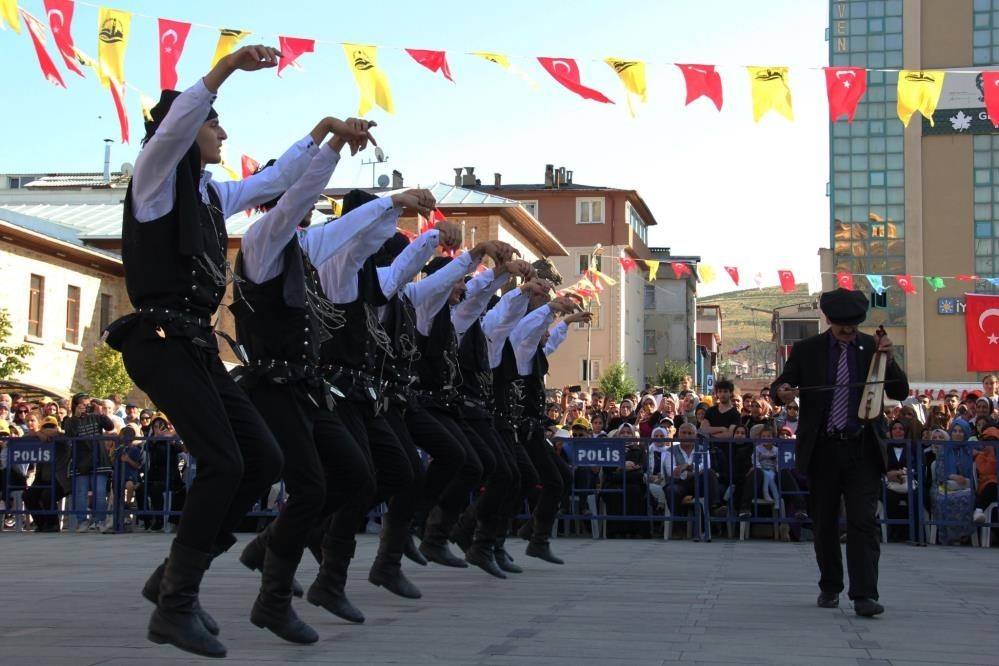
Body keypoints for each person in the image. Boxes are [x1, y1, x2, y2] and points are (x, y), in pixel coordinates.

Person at [102, 45, 312, 658]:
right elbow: (175, 127)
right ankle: (176, 604)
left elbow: (275, 180)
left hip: (196, 346)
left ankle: (172, 575)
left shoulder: (210, 195)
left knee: (263, 459)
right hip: (160, 342)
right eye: (214, 123)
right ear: (189, 127)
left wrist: (324, 136)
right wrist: (223, 72)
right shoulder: (155, 176)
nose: (222, 133)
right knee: (223, 463)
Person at [772, 288, 908, 618]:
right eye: (841, 324)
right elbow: (781, 385)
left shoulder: (874, 347)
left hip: (862, 449)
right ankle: (830, 585)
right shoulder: (807, 349)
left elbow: (900, 391)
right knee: (825, 522)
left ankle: (865, 594)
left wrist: (890, 359)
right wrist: (782, 392)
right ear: (829, 320)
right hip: (823, 449)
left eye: (853, 324)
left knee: (864, 522)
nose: (847, 329)